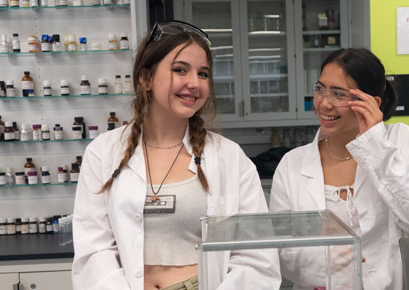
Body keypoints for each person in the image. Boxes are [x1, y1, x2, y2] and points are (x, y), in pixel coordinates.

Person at [72, 20, 281, 290]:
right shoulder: (103, 153)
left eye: (203, 74)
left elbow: (255, 256)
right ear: (146, 78)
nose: (195, 83)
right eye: (180, 70)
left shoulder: (229, 157)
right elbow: (94, 249)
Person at [269, 48, 409, 290]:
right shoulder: (292, 164)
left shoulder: (403, 142)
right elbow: (280, 250)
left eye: (339, 94)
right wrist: (325, 267)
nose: (324, 103)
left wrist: (376, 145)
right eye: (320, 89)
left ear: (371, 103)